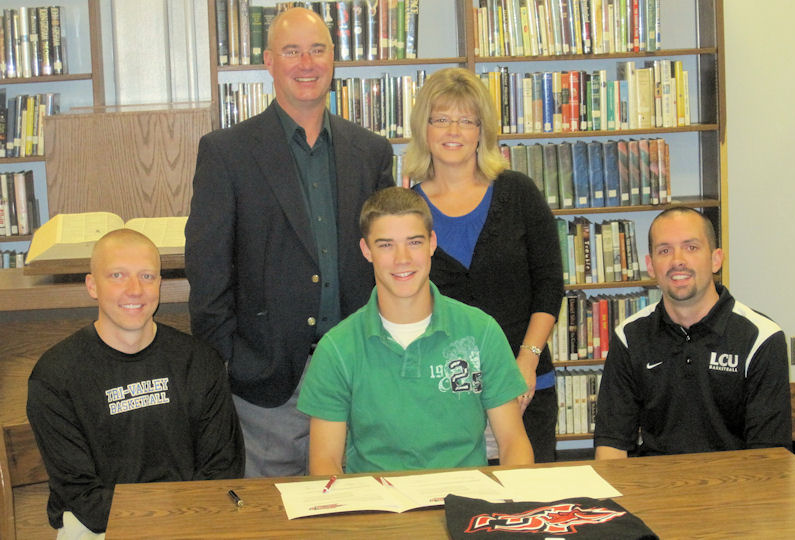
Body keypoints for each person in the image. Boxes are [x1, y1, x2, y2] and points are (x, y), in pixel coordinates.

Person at [185, 7, 395, 477]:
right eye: (292, 51)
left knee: (358, 508)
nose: (306, 63)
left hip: (357, 374)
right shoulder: (226, 152)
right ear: (269, 61)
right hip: (266, 390)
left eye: (317, 50)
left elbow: (387, 258)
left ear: (333, 59)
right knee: (270, 511)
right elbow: (207, 269)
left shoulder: (371, 152)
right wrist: (231, 363)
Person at [297, 187, 534, 474]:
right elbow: (325, 462)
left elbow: (513, 443)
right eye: (386, 245)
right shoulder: (337, 348)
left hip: (466, 496)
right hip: (376, 498)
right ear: (366, 250)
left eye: (414, 242)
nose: (402, 259)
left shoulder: (481, 331)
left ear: (432, 243)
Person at [27, 229, 244, 538]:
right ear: (92, 286)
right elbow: (82, 496)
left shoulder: (200, 361)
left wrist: (179, 521)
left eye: (146, 276)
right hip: (98, 528)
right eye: (117, 275)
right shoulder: (54, 375)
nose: (135, 290)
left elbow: (222, 470)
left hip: (191, 520)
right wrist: (160, 519)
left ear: (160, 284)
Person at [403, 67, 564, 462]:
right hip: (441, 397)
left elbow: (549, 283)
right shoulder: (407, 209)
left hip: (524, 387)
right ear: (424, 129)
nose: (453, 131)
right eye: (441, 119)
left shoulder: (518, 192)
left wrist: (526, 360)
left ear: (482, 131)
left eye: (466, 120)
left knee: (528, 497)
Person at [594, 207, 792, 458]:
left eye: (691, 247)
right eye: (664, 250)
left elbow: (769, 458)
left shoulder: (762, 338)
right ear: (650, 266)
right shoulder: (629, 337)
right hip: (653, 481)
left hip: (737, 481)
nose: (677, 260)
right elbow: (612, 446)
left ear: (716, 259)